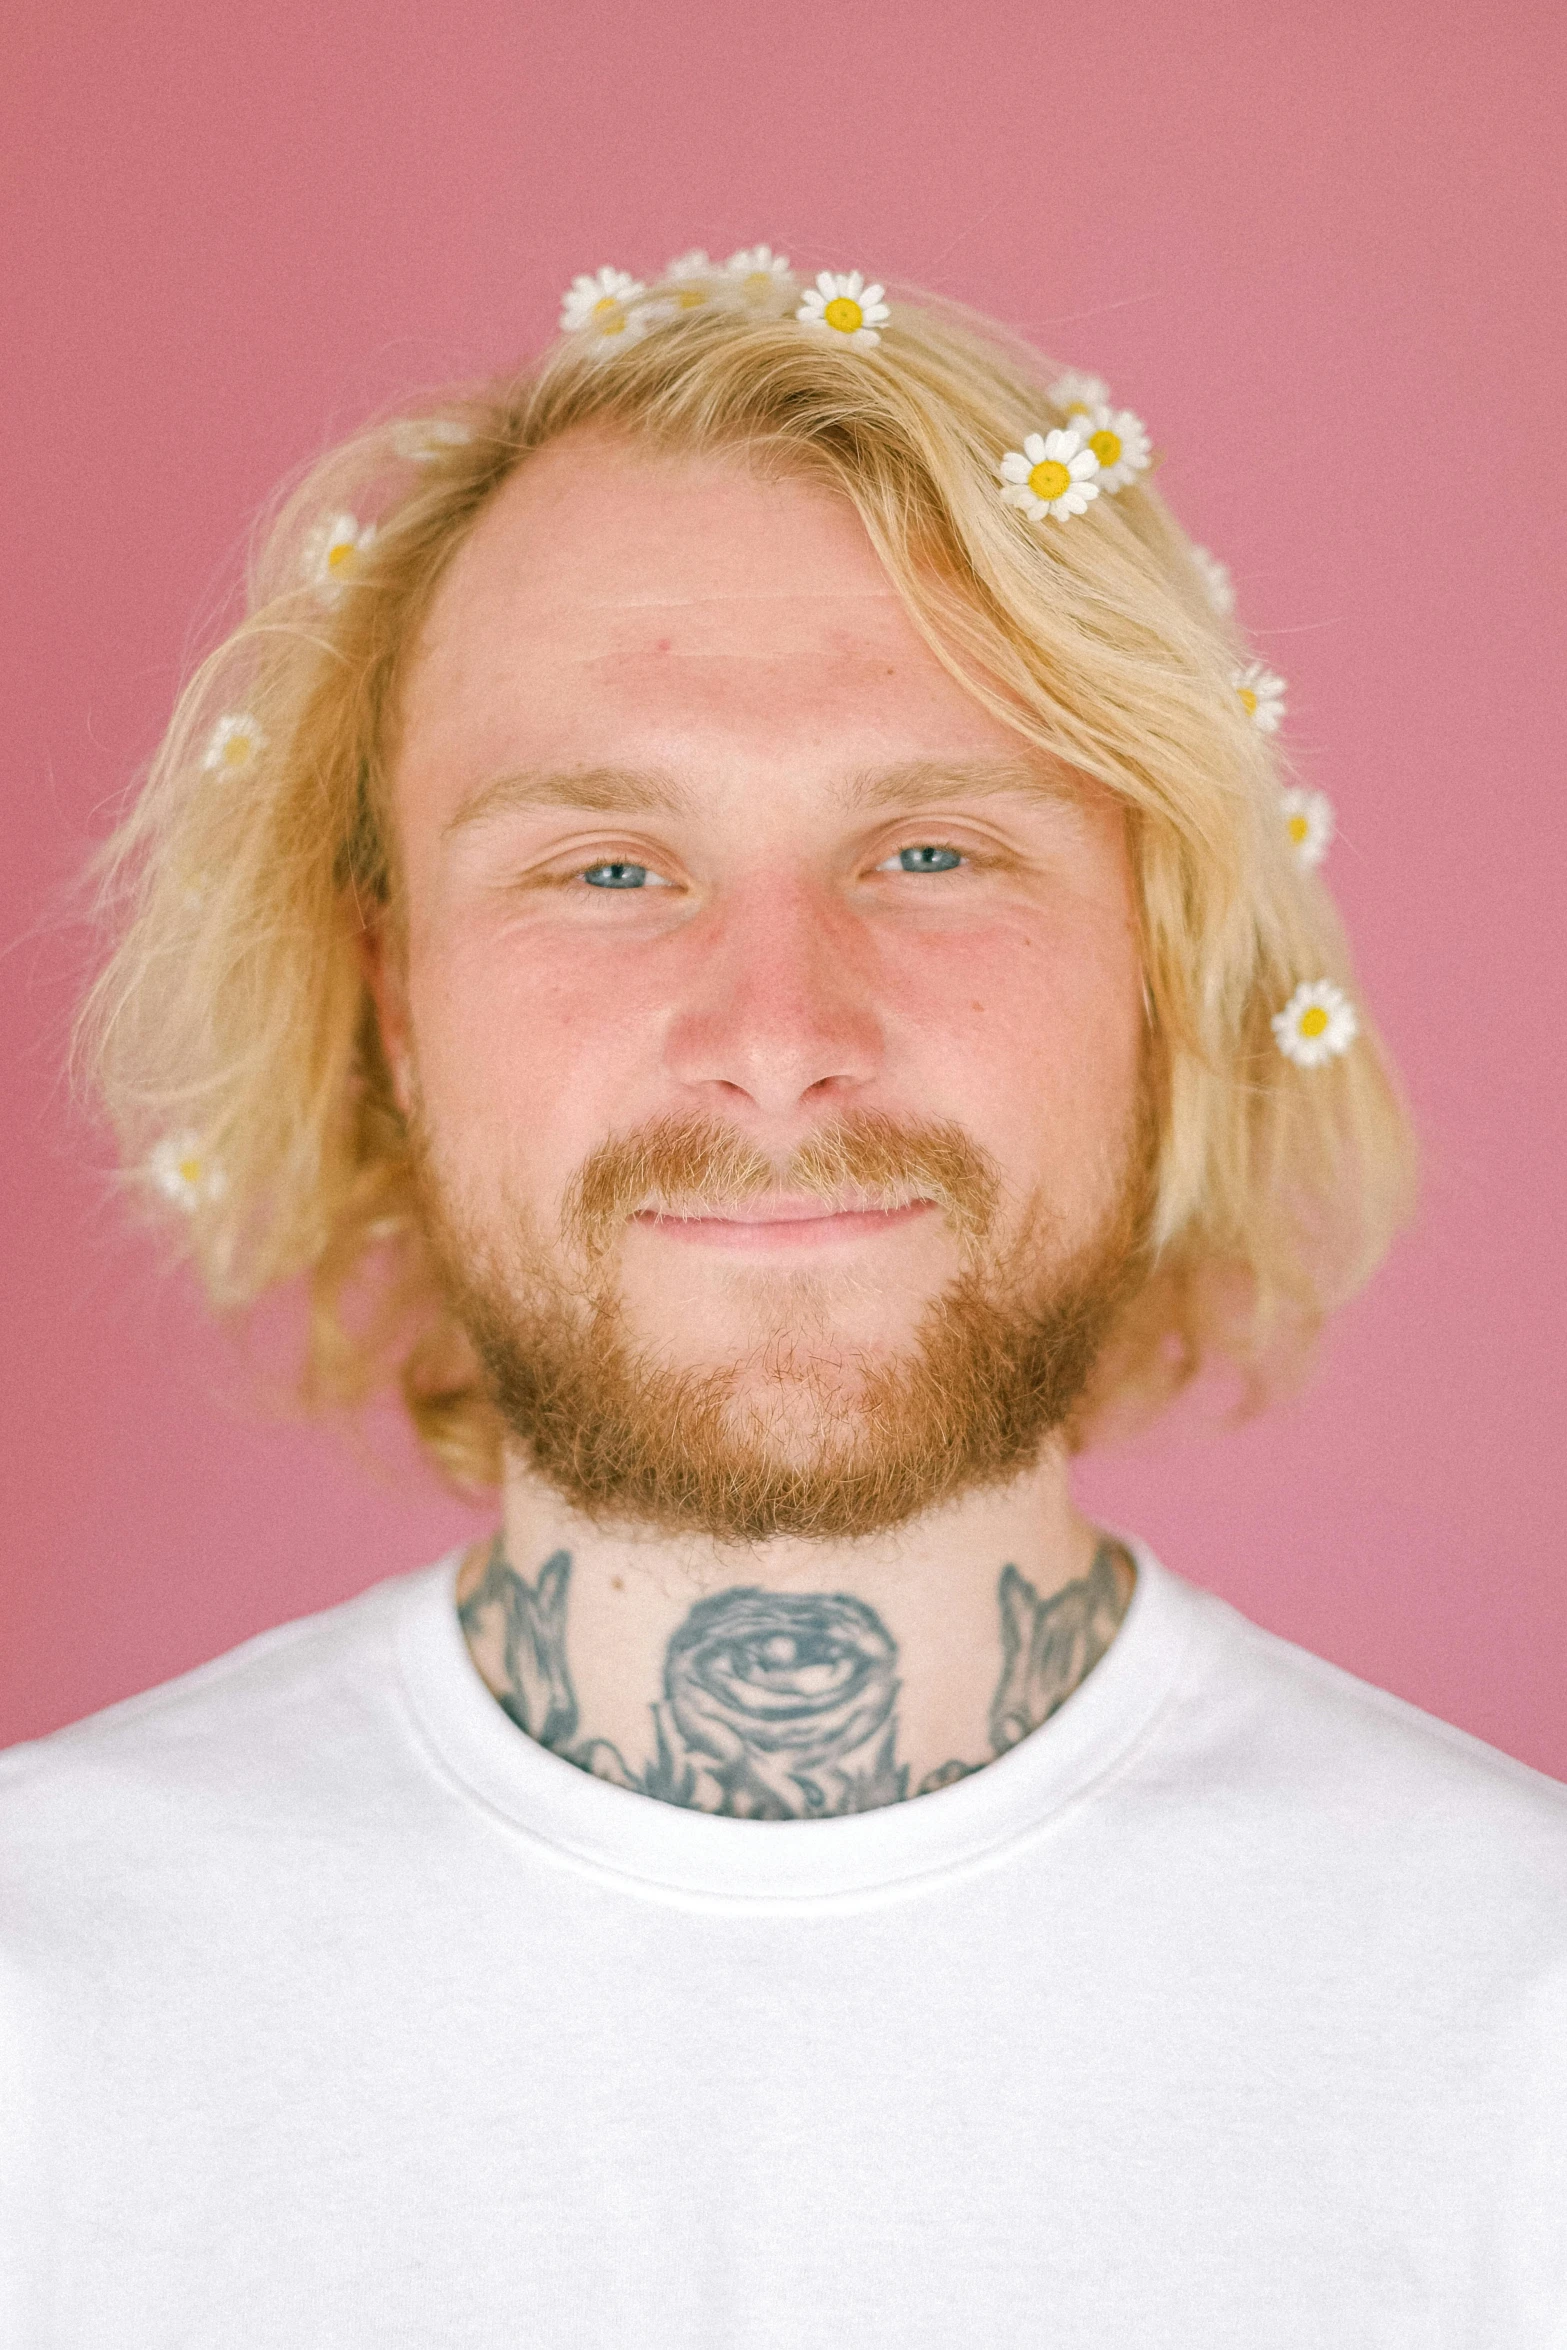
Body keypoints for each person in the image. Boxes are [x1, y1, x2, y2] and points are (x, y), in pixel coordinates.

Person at [3, 250, 1563, 2347]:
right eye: (606, 867)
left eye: (930, 850)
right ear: (392, 1000)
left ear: (1159, 975)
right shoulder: (40, 2003)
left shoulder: (1520, 2016)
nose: (773, 1035)